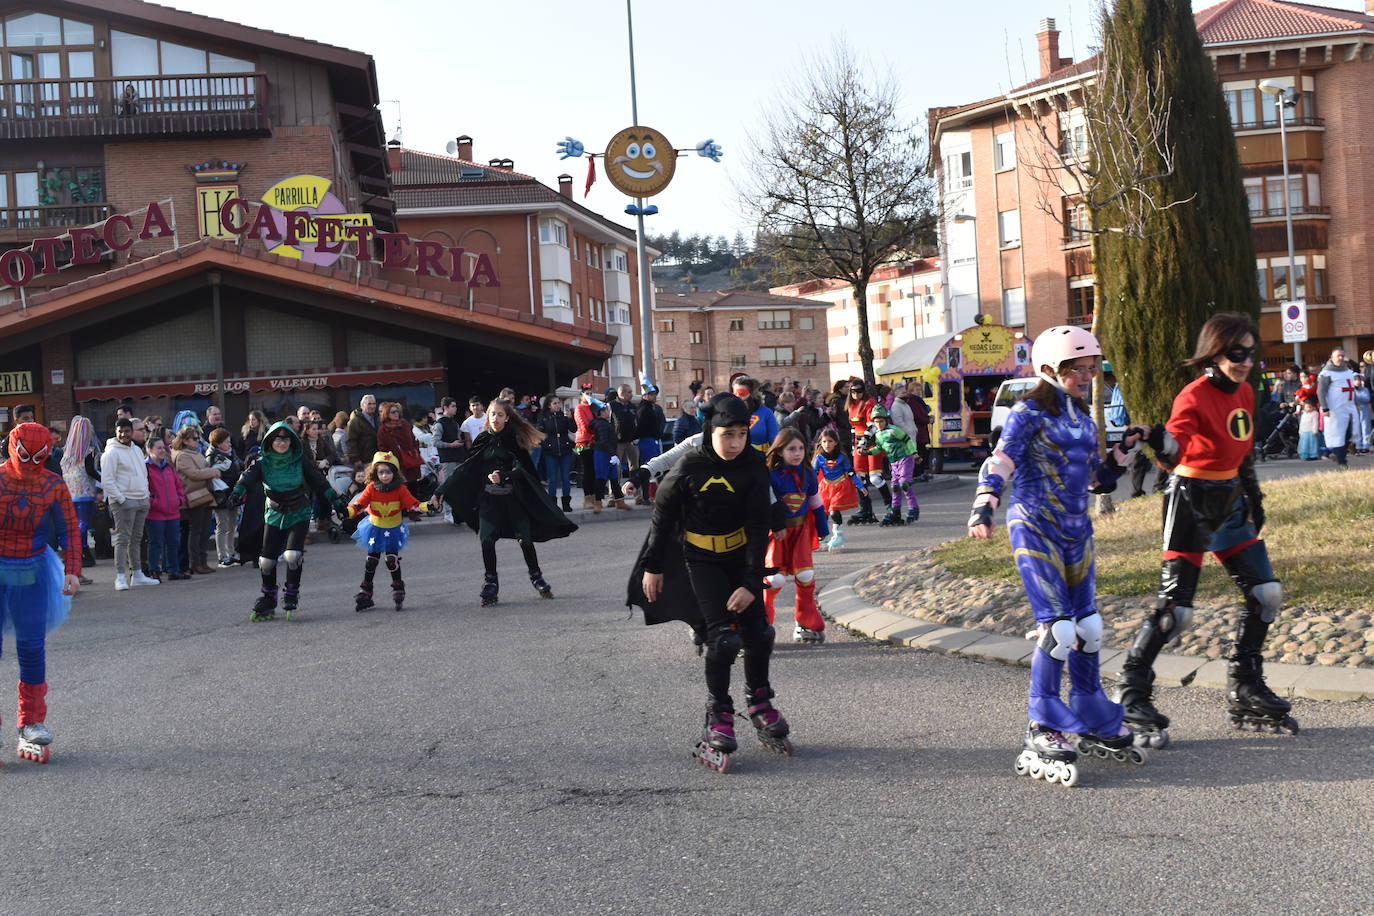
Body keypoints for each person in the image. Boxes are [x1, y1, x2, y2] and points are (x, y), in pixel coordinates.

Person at [968, 325, 1145, 786]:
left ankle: (1088, 707)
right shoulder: (1027, 413)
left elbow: (1094, 480)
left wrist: (1126, 450)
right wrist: (984, 505)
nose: (1089, 376)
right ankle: (1042, 724)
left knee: (1089, 626)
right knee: (1059, 629)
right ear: (1050, 368)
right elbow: (1001, 460)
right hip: (1034, 525)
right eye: (1078, 369)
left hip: (1075, 529)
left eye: (1092, 368)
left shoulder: (1083, 419)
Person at [1117, 313, 1297, 746]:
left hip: (1230, 499)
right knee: (1177, 611)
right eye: (1237, 354)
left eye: (1252, 353)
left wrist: (1252, 493)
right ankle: (1131, 693)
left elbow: (1243, 448)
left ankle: (1245, 682)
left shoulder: (1246, 391)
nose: (1246, 361)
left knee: (1265, 593)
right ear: (1215, 353)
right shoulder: (1193, 396)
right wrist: (1153, 437)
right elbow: (1174, 450)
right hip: (1190, 501)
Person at [628, 393, 791, 774]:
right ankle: (718, 712)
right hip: (700, 560)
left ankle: (760, 702)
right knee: (724, 639)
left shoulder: (752, 463)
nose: (735, 443)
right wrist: (653, 566)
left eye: (741, 434)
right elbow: (663, 517)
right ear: (710, 430)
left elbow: (756, 526)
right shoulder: (690, 463)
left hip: (739, 557)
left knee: (760, 633)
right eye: (726, 435)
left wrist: (751, 581)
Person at [438, 399, 576, 606]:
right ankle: (490, 582)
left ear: (507, 417)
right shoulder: (482, 439)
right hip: (488, 500)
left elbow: (524, 470)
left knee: (525, 540)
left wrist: (505, 475)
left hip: (513, 499)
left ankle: (536, 576)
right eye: (492, 414)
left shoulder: (514, 440)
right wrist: (440, 491)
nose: (495, 418)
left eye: (500, 415)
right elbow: (465, 469)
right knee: (486, 540)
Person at [0, 422, 81, 764]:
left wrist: (73, 570)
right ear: (11, 446)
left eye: (38, 455)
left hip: (33, 572)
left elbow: (70, 529)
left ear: (48, 453)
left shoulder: (53, 484)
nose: (31, 461)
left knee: (32, 648)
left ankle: (31, 721)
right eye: (24, 453)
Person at [230, 422, 343, 621]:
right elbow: (247, 478)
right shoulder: (262, 461)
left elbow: (318, 480)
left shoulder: (299, 460)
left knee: (292, 555)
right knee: (266, 560)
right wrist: (236, 493)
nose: (281, 443)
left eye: (286, 439)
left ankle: (291, 594)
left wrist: (336, 499)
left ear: (292, 441)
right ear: (270, 441)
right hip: (273, 513)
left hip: (298, 512)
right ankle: (268, 598)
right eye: (277, 439)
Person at [763, 428, 829, 644]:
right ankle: (761, 623)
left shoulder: (807, 473)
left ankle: (805, 620)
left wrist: (822, 527)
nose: (797, 453)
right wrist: (774, 523)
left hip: (800, 531)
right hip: (778, 533)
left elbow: (815, 502)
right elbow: (768, 504)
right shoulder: (771, 476)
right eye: (791, 449)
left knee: (806, 576)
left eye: (801, 448)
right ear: (779, 451)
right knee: (775, 578)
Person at [346, 451, 431, 611]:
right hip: (374, 528)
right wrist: (348, 511)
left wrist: (428, 506)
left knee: (391, 559)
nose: (385, 476)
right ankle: (366, 592)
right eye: (381, 472)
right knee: (371, 560)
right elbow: (360, 504)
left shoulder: (400, 489)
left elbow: (413, 504)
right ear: (375, 473)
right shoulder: (371, 488)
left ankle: (398, 588)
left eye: (389, 472)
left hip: (392, 528)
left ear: (395, 472)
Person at [101, 418, 158, 591]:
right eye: (121, 431)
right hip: (124, 501)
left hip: (141, 499)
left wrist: (145, 495)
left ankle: (138, 574)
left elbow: (142, 474)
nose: (124, 434)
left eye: (127, 431)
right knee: (122, 539)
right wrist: (121, 499)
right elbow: (107, 481)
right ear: (116, 432)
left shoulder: (137, 451)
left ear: (132, 432)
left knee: (136, 539)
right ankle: (120, 577)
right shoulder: (110, 453)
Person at [860, 405, 921, 524]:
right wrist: (867, 452)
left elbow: (907, 440)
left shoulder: (893, 430)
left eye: (881, 421)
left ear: (886, 420)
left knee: (904, 484)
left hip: (905, 459)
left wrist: (914, 453)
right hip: (893, 463)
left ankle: (913, 508)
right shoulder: (878, 434)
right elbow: (879, 448)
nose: (879, 424)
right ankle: (895, 510)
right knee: (895, 487)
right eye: (876, 422)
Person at [171, 426, 219, 575]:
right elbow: (193, 474)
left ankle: (203, 562)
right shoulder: (182, 455)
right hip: (193, 496)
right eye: (195, 438)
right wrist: (212, 472)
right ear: (185, 440)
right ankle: (195, 563)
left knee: (204, 532)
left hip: (204, 494)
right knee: (195, 531)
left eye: (198, 438)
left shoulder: (196, 453)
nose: (198, 441)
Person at [59, 416, 101, 581]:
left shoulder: (67, 451)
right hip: (85, 491)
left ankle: (77, 549)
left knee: (76, 522)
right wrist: (103, 480)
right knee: (83, 523)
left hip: (71, 491)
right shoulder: (88, 451)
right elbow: (91, 471)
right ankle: (81, 549)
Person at [812, 427, 864, 553]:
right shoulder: (819, 458)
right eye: (824, 442)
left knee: (834, 511)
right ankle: (823, 537)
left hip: (840, 485)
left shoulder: (841, 457)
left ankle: (838, 536)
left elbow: (850, 472)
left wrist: (860, 485)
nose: (827, 444)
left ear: (835, 442)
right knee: (822, 512)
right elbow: (813, 474)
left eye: (830, 441)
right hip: (825, 487)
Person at [144, 437, 187, 581]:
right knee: (156, 543)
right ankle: (154, 570)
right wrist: (154, 502)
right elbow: (144, 490)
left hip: (173, 512)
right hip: (155, 514)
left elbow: (178, 486)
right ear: (149, 450)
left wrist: (180, 499)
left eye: (163, 447)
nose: (163, 450)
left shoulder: (169, 467)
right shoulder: (145, 468)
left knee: (173, 542)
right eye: (159, 448)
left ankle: (173, 570)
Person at [844, 379, 883, 524]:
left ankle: (891, 507)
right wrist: (854, 446)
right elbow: (853, 427)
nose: (856, 394)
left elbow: (872, 426)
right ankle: (865, 509)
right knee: (859, 478)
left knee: (875, 478)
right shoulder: (851, 405)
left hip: (871, 442)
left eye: (859, 391)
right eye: (853, 391)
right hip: (858, 443)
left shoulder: (869, 403)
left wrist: (863, 442)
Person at [1317, 347, 1359, 469]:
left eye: (1342, 356)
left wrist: (1355, 404)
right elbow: (1321, 392)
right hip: (1335, 409)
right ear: (1332, 358)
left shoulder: (1348, 371)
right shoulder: (1326, 373)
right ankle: (1342, 461)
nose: (1340, 358)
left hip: (1349, 407)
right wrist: (1325, 408)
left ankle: (1336, 453)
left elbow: (1351, 389)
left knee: (1350, 434)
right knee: (1338, 435)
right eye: (1338, 356)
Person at [206, 428, 242, 567]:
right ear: (218, 443)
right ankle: (222, 556)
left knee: (232, 525)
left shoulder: (231, 454)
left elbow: (237, 469)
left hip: (233, 494)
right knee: (222, 525)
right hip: (220, 495)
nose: (230, 444)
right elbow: (214, 478)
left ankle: (231, 553)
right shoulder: (212, 457)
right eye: (226, 442)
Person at [536, 395, 575, 513]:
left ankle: (566, 503)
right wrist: (546, 445)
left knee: (565, 478)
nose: (558, 405)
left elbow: (573, 429)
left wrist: (570, 418)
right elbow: (540, 434)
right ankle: (553, 504)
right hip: (550, 452)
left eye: (559, 403)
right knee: (552, 479)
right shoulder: (544, 418)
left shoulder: (563, 417)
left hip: (565, 449)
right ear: (549, 405)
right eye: (555, 403)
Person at [303, 419, 340, 538]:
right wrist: (316, 464)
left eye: (317, 429)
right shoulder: (301, 443)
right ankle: (305, 530)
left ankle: (324, 521)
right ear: (307, 430)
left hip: (320, 475)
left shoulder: (321, 441)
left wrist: (326, 461)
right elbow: (303, 460)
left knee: (325, 496)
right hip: (307, 476)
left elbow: (332, 454)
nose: (316, 431)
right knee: (307, 501)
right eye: (313, 429)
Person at [634, 383, 666, 504]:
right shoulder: (644, 409)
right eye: (651, 394)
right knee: (649, 468)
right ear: (645, 396)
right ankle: (647, 496)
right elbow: (641, 427)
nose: (654, 396)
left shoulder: (651, 408)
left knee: (655, 468)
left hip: (652, 440)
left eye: (655, 394)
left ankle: (652, 495)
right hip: (646, 441)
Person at [572, 387, 599, 510]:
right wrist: (597, 429)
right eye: (587, 394)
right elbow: (584, 425)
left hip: (595, 441)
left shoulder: (594, 407)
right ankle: (587, 498)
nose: (589, 396)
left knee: (594, 470)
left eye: (591, 394)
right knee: (587, 470)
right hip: (584, 442)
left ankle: (594, 497)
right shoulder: (579, 408)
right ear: (581, 396)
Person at [346, 394, 380, 468]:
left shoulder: (378, 419)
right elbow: (351, 441)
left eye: (374, 404)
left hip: (377, 459)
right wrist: (355, 459)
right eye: (369, 404)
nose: (372, 406)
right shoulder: (355, 421)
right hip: (363, 460)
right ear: (362, 406)